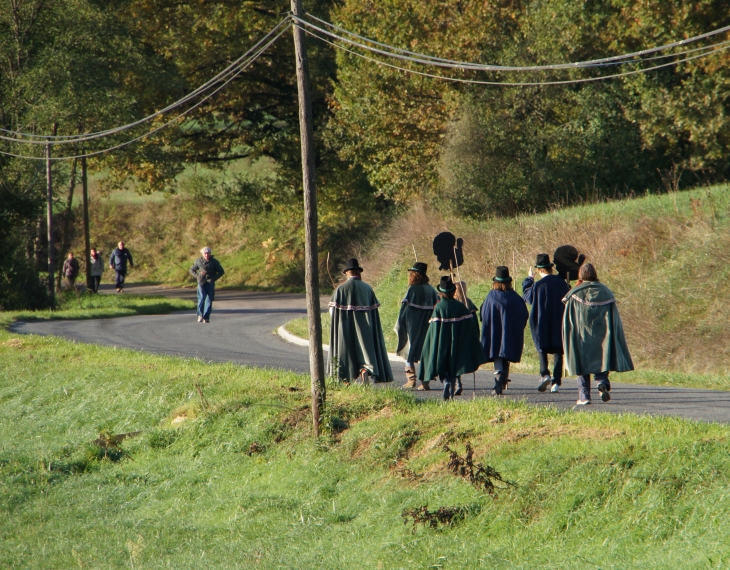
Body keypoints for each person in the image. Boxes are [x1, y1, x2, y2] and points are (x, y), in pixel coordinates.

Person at [562, 263, 634, 405]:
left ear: (580, 276)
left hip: (582, 335)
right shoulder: (605, 291)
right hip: (603, 333)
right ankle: (602, 383)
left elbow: (568, 319)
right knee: (603, 357)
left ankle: (584, 397)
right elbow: (614, 317)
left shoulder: (575, 293)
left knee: (581, 364)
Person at [419, 276, 487, 400]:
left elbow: (433, 331)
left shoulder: (439, 308)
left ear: (441, 292)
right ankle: (451, 385)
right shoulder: (461, 307)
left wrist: (429, 346)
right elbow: (470, 326)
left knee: (442, 366)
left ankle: (445, 383)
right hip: (457, 343)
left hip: (441, 344)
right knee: (453, 367)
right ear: (453, 291)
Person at [328, 258, 393, 384]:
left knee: (346, 350)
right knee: (364, 349)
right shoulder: (367, 288)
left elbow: (332, 312)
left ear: (347, 273)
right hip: (365, 327)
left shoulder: (340, 289)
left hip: (345, 327)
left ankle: (346, 378)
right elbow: (374, 313)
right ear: (358, 272)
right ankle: (364, 370)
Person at [522, 253, 570, 393]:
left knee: (542, 348)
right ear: (550, 268)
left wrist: (529, 279)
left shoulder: (537, 285)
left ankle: (545, 374)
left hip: (541, 320)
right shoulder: (561, 283)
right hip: (558, 320)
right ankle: (556, 382)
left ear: (538, 270)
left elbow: (527, 296)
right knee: (557, 351)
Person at [480, 266, 529, 396]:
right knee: (505, 353)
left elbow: (483, 313)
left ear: (495, 282)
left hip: (494, 332)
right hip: (510, 333)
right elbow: (524, 315)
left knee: (498, 354)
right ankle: (502, 380)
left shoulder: (491, 296)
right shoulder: (516, 298)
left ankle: (499, 381)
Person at [394, 261, 439, 390]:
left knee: (409, 349)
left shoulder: (412, 289)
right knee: (426, 351)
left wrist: (401, 323)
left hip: (413, 324)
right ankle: (425, 382)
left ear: (415, 275)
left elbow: (404, 309)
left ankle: (411, 379)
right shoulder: (432, 289)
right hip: (428, 325)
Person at [189, 246, 225, 323]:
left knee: (209, 299)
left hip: (210, 282)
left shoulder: (214, 262)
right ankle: (200, 315)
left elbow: (221, 271)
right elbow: (192, 270)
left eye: (208, 253)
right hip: (201, 281)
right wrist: (198, 276)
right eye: (205, 253)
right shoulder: (198, 261)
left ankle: (206, 317)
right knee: (201, 297)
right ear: (202, 254)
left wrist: (214, 278)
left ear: (210, 253)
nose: (206, 255)